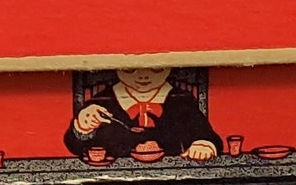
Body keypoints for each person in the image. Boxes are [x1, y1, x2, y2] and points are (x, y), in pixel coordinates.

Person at [65, 68, 221, 162]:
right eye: (130, 69)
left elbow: (207, 134)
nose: (143, 76)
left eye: (156, 68)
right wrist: (82, 127)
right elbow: (75, 146)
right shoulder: (102, 102)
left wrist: (203, 145)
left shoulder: (182, 101)